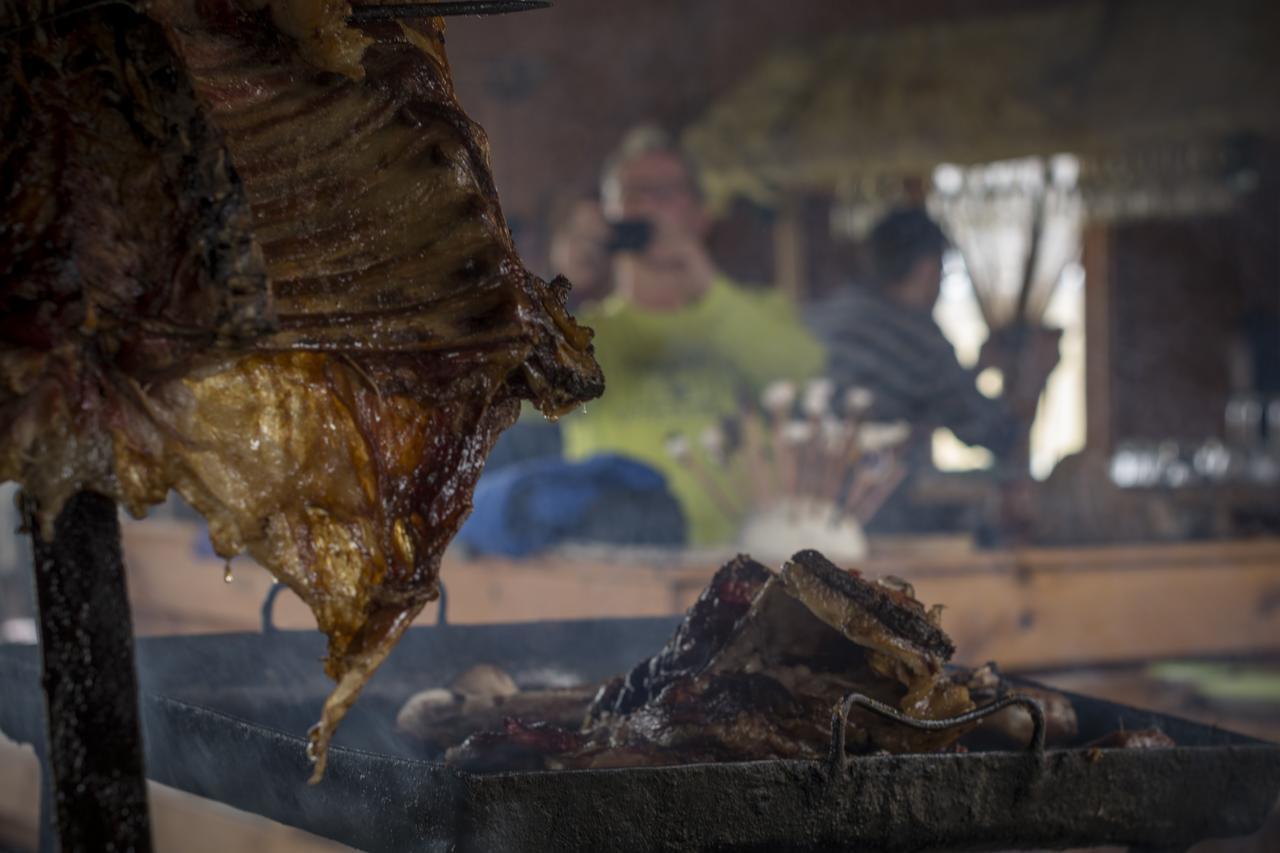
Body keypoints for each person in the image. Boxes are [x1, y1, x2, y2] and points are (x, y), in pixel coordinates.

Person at [558, 125, 825, 546]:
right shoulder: (581, 332)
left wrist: (703, 283)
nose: (650, 205)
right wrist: (559, 290)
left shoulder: (757, 312)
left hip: (747, 560)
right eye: (635, 192)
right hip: (619, 568)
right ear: (609, 217)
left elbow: (806, 379)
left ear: (701, 214)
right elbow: (512, 394)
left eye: (668, 191)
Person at [805, 207, 1059, 532]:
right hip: (878, 523)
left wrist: (977, 370)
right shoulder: (919, 341)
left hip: (806, 517)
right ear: (927, 269)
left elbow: (902, 397)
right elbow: (998, 433)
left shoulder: (822, 319)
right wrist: (1034, 378)